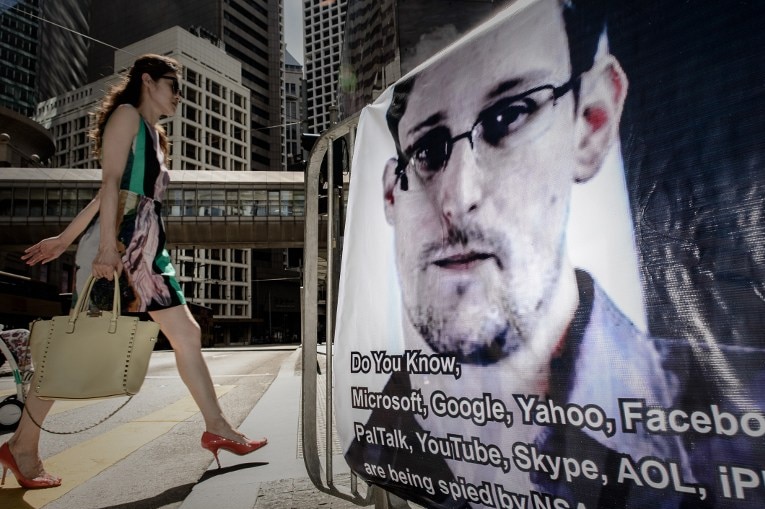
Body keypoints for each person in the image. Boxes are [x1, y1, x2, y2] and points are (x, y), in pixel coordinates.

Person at [343, 1, 764, 508]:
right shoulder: (379, 433)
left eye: (509, 115)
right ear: (391, 194)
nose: (457, 196)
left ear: (593, 122)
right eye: (429, 150)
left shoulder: (735, 432)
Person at [1, 54, 266, 489]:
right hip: (123, 244)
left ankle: (218, 427)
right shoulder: (125, 115)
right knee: (79, 346)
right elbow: (108, 186)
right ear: (148, 80)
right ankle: (23, 446)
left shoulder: (157, 137)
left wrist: (66, 238)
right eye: (172, 85)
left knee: (187, 334)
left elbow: (117, 188)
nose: (178, 95)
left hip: (147, 245)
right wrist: (104, 247)